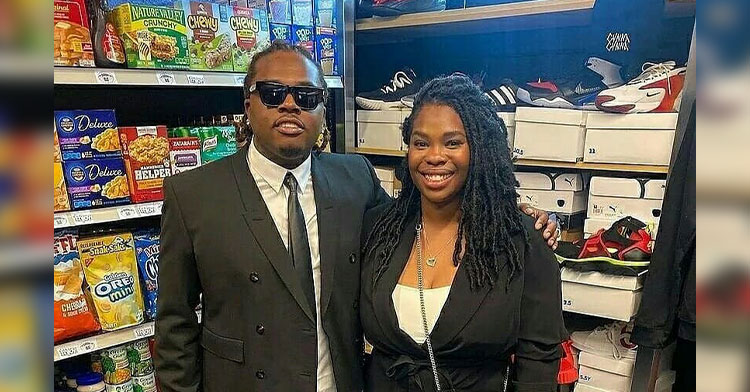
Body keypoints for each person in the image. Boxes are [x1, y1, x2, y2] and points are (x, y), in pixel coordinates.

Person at [155, 42, 558, 392]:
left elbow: (427, 210)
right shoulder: (193, 195)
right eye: (273, 93)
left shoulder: (354, 179)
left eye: (307, 95)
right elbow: (175, 330)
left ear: (322, 109)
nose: (290, 104)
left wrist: (517, 214)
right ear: (248, 103)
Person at [361, 75, 568, 392]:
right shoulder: (380, 228)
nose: (434, 155)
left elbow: (538, 359)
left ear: (480, 150)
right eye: (421, 142)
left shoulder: (520, 240)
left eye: (452, 142)